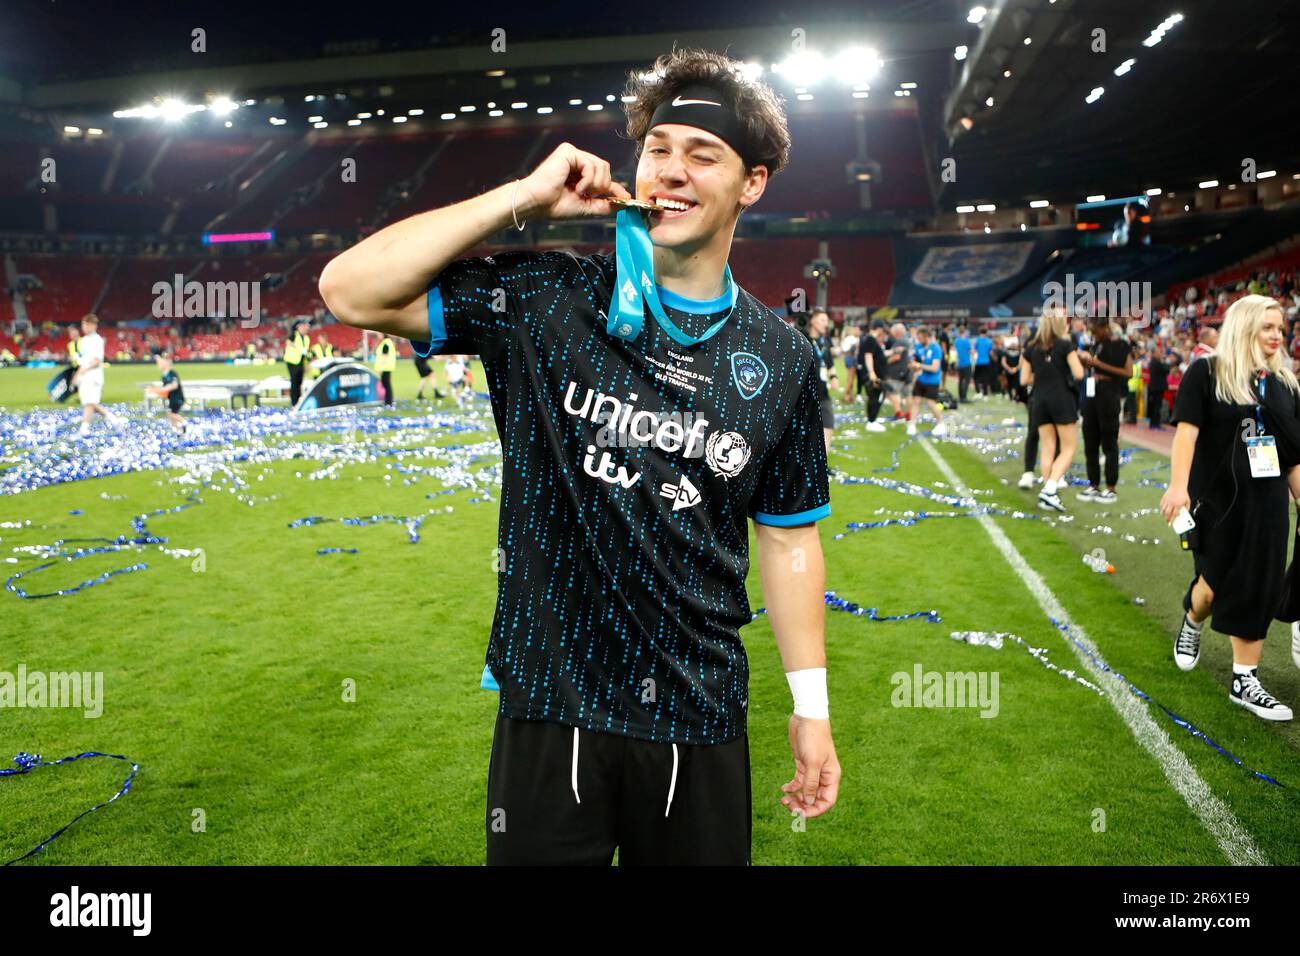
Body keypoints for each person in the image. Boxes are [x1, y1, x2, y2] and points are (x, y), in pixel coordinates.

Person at [319, 47, 840, 865]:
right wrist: (525, 199)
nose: (672, 170)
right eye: (659, 147)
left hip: (699, 715)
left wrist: (811, 705)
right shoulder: (546, 299)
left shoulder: (781, 359)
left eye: (703, 155)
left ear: (753, 182)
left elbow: (788, 539)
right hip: (549, 707)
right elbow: (352, 290)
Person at [1160, 295, 1300, 720]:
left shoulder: (1284, 385)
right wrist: (1177, 487)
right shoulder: (1206, 372)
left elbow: (1293, 454)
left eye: (1281, 328)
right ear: (1244, 327)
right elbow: (1186, 434)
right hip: (1217, 501)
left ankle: (1245, 678)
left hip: (1269, 501)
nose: (1278, 335)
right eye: (1268, 327)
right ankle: (1193, 618)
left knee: (1261, 580)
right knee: (1212, 585)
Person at [1020, 309, 1084, 511]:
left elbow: (1024, 379)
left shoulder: (1032, 348)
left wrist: (1043, 375)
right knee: (1068, 448)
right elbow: (1079, 373)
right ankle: (1049, 489)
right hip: (1062, 399)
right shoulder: (1066, 345)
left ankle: (1048, 494)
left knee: (1048, 448)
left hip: (1039, 400)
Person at [1077, 319, 1133, 503]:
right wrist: (1086, 362)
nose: (1094, 333)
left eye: (1096, 330)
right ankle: (1093, 485)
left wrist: (1098, 365)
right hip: (1091, 395)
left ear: (1106, 328)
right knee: (1090, 441)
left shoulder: (1122, 345)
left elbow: (1128, 372)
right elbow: (1091, 368)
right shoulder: (1095, 345)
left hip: (1109, 395)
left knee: (1109, 443)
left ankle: (1111, 487)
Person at [70, 314, 123, 437]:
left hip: (93, 376)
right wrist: (78, 374)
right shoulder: (84, 340)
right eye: (83, 324)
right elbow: (84, 360)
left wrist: (81, 372)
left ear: (93, 325)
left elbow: (96, 361)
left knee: (89, 403)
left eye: (86, 324)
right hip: (85, 376)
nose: (84, 327)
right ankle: (113, 419)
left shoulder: (97, 340)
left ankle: (84, 429)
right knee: (90, 403)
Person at [907, 326, 947, 437]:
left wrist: (919, 365)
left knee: (931, 403)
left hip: (932, 380)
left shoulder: (936, 348)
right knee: (916, 401)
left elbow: (934, 368)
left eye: (920, 337)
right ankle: (912, 424)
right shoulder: (919, 346)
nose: (918, 340)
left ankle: (941, 424)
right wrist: (913, 366)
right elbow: (916, 362)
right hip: (921, 379)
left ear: (926, 336)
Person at [808, 308, 838, 456]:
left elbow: (830, 364)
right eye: (822, 320)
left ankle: (822, 467)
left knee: (828, 426)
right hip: (806, 395)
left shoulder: (825, 342)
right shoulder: (803, 339)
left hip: (823, 394)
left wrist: (834, 377)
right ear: (812, 320)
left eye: (827, 321)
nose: (826, 324)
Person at [857, 321, 888, 432]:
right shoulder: (871, 339)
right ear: (879, 329)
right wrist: (871, 373)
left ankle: (872, 420)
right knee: (877, 396)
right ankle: (871, 421)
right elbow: (868, 356)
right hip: (873, 375)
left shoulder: (870, 340)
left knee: (874, 396)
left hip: (874, 373)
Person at [150, 351, 186, 434]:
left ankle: (184, 423)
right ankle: (178, 431)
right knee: (171, 416)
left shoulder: (172, 373)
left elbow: (174, 385)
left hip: (177, 398)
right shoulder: (164, 376)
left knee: (170, 414)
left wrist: (163, 389)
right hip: (172, 398)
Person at [883, 322, 913, 421]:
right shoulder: (908, 340)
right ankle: (908, 414)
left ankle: (899, 413)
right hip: (908, 370)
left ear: (897, 332)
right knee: (907, 394)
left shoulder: (901, 341)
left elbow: (896, 357)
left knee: (892, 392)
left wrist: (886, 361)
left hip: (897, 371)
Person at [284, 319, 311, 406]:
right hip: (292, 362)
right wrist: (298, 348)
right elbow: (288, 341)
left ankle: (298, 401)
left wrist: (306, 364)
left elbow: (305, 353)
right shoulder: (294, 335)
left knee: (299, 382)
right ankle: (294, 402)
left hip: (300, 362)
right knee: (294, 382)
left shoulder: (306, 338)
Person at [374, 333, 397, 407]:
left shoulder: (386, 344)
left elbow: (384, 357)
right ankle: (388, 401)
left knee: (386, 385)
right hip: (387, 368)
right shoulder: (388, 342)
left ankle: (388, 402)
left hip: (385, 368)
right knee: (387, 385)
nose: (378, 335)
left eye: (379, 334)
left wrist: (381, 368)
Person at [954, 325, 973, 402]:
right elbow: (971, 351)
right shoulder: (966, 341)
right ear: (964, 331)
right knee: (967, 381)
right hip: (967, 363)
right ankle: (964, 397)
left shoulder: (956, 341)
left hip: (959, 363)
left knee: (960, 380)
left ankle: (960, 396)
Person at [974, 325, 994, 398]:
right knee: (985, 378)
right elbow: (991, 352)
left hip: (979, 362)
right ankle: (985, 394)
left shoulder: (977, 340)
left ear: (980, 332)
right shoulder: (989, 341)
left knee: (976, 378)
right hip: (986, 362)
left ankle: (978, 392)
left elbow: (975, 350)